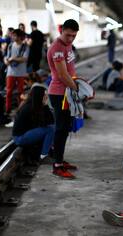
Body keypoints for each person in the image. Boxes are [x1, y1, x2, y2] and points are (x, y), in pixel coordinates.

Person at [47, 19, 79, 179]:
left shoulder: (67, 45)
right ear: (62, 30)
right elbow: (62, 74)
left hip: (67, 92)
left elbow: (70, 70)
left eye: (74, 36)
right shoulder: (57, 48)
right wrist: (77, 88)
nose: (71, 39)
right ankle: (57, 165)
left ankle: (60, 159)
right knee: (61, 129)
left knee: (65, 128)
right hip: (59, 93)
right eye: (68, 35)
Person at [13, 85, 55, 160]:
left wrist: (45, 105)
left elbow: (50, 121)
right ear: (39, 96)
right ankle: (44, 155)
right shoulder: (28, 108)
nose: (46, 97)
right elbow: (46, 123)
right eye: (44, 95)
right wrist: (45, 106)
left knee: (52, 127)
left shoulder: (35, 105)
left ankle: (47, 151)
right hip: (20, 138)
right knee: (50, 129)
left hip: (26, 134)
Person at [4, 29, 29, 115]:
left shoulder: (25, 46)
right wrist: (6, 61)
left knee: (20, 92)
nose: (13, 37)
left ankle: (20, 109)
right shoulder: (10, 45)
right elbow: (7, 57)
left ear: (19, 37)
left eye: (14, 35)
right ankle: (7, 109)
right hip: (10, 72)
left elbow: (24, 58)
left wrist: (13, 58)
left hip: (21, 72)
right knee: (9, 92)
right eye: (12, 35)